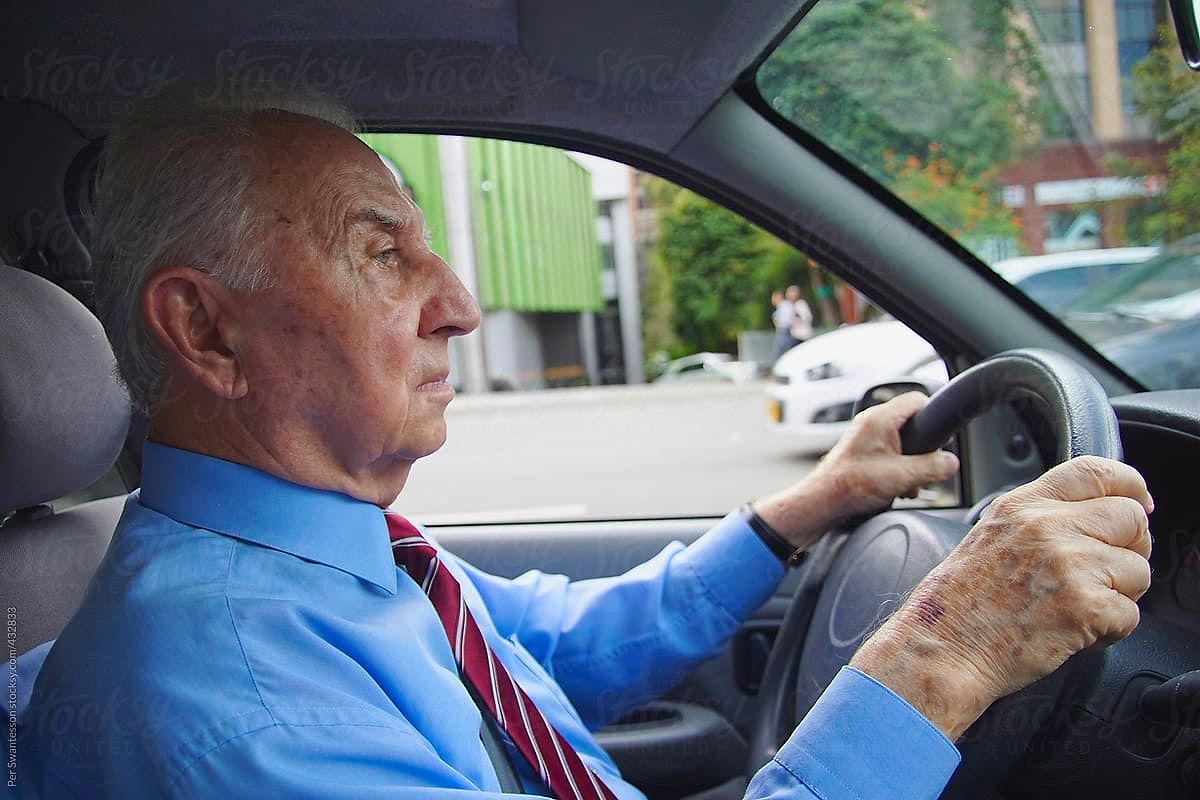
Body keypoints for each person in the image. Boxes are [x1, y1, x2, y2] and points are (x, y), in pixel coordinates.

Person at [17, 88, 1153, 800]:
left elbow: (559, 647)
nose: (458, 302)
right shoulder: (244, 707)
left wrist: (810, 503)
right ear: (206, 329)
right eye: (382, 254)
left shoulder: (330, 556)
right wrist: (939, 657)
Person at [770, 288, 796, 362]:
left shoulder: (785, 305)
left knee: (781, 351)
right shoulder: (783, 305)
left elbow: (788, 319)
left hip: (784, 330)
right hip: (783, 330)